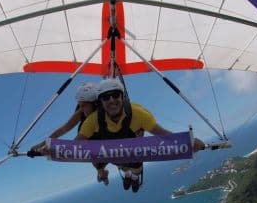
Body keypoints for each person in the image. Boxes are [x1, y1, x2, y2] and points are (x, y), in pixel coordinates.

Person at [75, 78, 205, 193]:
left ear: (122, 97)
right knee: (122, 165)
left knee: (136, 168)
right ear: (101, 102)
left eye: (115, 95)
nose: (111, 100)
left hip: (135, 151)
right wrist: (55, 150)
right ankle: (127, 175)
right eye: (106, 97)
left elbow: (164, 135)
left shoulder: (138, 114)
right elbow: (76, 145)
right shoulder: (93, 120)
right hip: (117, 154)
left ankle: (135, 177)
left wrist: (189, 142)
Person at [29, 82, 98, 155]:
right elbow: (64, 128)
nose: (81, 109)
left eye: (84, 105)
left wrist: (55, 150)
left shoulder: (105, 109)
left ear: (95, 103)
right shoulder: (81, 111)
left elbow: (74, 145)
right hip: (91, 132)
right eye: (80, 105)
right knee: (97, 164)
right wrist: (42, 144)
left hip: (105, 131)